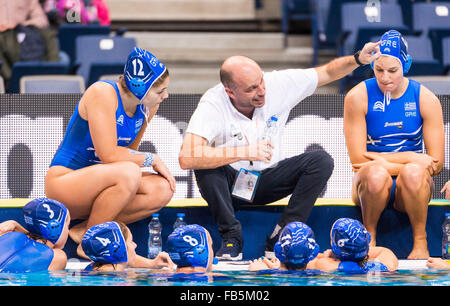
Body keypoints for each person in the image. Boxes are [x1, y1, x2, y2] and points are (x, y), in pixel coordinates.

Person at [179, 41, 382, 260]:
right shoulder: (213, 102)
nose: (261, 91)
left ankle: (283, 235)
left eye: (261, 82)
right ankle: (231, 238)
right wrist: (245, 152)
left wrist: (358, 59)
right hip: (230, 187)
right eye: (251, 89)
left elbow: (327, 72)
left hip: (268, 179)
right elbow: (186, 157)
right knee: (204, 165)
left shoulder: (278, 84)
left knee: (321, 161)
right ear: (230, 92)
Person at [45, 47, 176, 256]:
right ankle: (90, 244)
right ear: (140, 88)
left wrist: (144, 161)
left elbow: (127, 154)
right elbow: (109, 155)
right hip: (64, 183)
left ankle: (88, 228)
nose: (165, 96)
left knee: (163, 189)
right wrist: (152, 159)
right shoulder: (102, 92)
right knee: (129, 172)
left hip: (101, 184)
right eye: (160, 91)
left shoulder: (148, 107)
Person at [343, 30, 445, 259]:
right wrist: (411, 159)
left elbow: (436, 164)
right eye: (379, 70)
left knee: (412, 174)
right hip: (369, 182)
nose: (385, 77)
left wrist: (400, 165)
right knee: (377, 174)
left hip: (411, 185)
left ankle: (420, 242)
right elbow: (358, 161)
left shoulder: (426, 99)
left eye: (392, 70)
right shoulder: (357, 97)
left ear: (406, 66)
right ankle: (369, 239)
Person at [0, 0, 59, 90]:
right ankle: (10, 84)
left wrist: (22, 25)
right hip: (2, 36)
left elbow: (41, 20)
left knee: (49, 35)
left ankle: (53, 77)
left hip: (19, 33)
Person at [0, 198, 70, 272]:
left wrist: (16, 225)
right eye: (67, 225)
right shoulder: (58, 257)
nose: (68, 231)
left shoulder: (6, 235)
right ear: (55, 228)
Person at [312, 218, 398, 273]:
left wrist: (329, 255)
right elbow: (384, 251)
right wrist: (359, 247)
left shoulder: (325, 265)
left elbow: (304, 260)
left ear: (334, 246)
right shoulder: (387, 265)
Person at [81, 221, 175, 271]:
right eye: (131, 241)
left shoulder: (93, 268)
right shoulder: (119, 281)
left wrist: (153, 264)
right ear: (119, 249)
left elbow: (121, 259)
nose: (135, 245)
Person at [248, 221, 320, 271]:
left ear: (278, 251)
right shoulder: (318, 273)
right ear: (312, 255)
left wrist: (256, 270)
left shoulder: (261, 272)